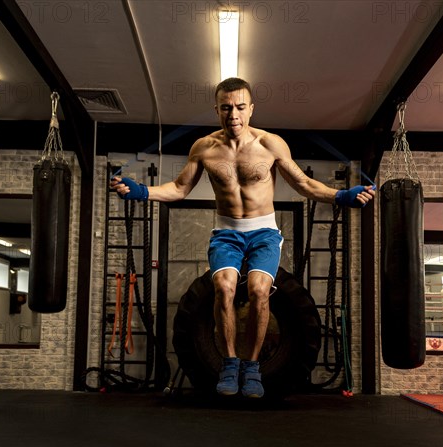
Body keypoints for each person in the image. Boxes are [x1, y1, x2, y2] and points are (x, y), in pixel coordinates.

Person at [111, 77, 375, 399]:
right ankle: (230, 363)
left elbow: (304, 184)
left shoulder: (271, 145)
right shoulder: (204, 148)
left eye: (239, 107)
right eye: (225, 108)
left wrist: (343, 196)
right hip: (226, 233)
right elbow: (179, 188)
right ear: (217, 110)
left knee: (259, 291)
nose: (232, 114)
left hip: (263, 231)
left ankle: (251, 368)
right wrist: (141, 191)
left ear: (251, 109)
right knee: (223, 288)